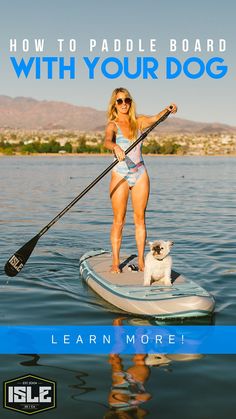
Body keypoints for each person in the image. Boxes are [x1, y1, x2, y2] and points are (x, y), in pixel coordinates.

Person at [104, 87, 177, 273]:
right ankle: (115, 262)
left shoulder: (139, 121)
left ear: (130, 102)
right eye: (119, 101)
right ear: (115, 104)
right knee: (119, 220)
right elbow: (107, 141)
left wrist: (167, 110)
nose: (124, 104)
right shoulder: (112, 124)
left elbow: (156, 118)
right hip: (120, 173)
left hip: (139, 173)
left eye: (126, 100)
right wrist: (115, 147)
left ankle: (142, 263)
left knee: (140, 220)